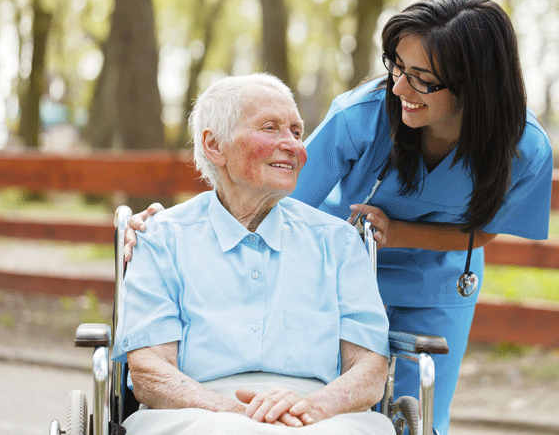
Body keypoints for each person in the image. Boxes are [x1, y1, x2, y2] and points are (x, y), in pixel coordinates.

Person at [126, 0, 553, 435]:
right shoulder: (361, 117)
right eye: (398, 67)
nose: (399, 88)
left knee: (419, 418)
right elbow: (267, 195)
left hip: (434, 277)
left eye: (421, 78)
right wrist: (170, 229)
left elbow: (482, 231)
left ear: (474, 84)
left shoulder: (525, 148)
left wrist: (396, 233)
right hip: (327, 265)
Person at [112, 73, 395, 435]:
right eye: (270, 128)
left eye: (296, 131)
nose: (293, 145)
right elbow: (151, 372)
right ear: (214, 145)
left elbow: (370, 370)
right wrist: (237, 414)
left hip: (324, 413)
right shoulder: (162, 238)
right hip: (194, 410)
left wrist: (311, 407)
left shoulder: (338, 241)